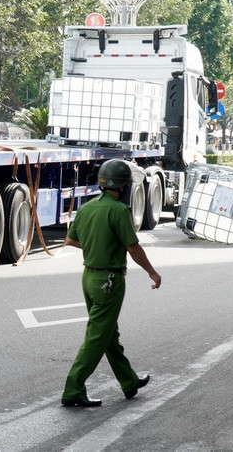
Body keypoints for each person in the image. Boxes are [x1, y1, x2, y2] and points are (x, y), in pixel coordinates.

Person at [60, 159, 162, 408]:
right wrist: (152, 272)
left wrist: (97, 246)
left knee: (107, 333)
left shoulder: (87, 208)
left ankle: (129, 381)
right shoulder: (118, 211)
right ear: (124, 186)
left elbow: (71, 241)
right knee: (97, 336)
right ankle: (73, 388)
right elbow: (133, 247)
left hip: (89, 278)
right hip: (110, 280)